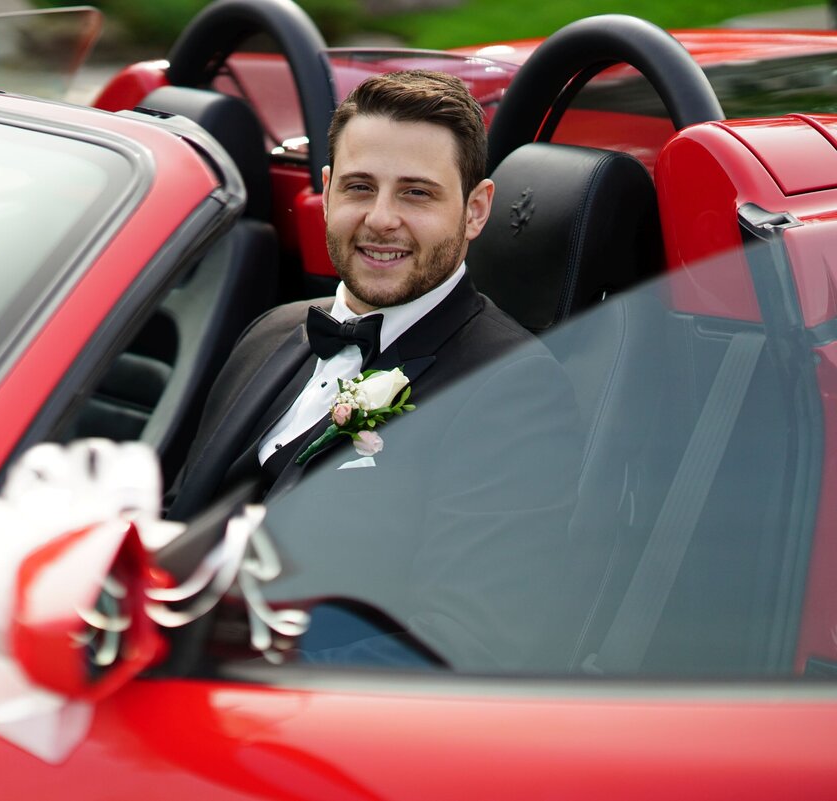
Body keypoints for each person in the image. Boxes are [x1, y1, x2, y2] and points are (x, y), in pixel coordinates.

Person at [167, 70, 584, 669]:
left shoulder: (513, 389)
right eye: (361, 187)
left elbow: (469, 643)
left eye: (416, 193)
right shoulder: (271, 332)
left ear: (475, 210)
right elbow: (184, 518)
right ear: (329, 192)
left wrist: (228, 681)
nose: (381, 218)